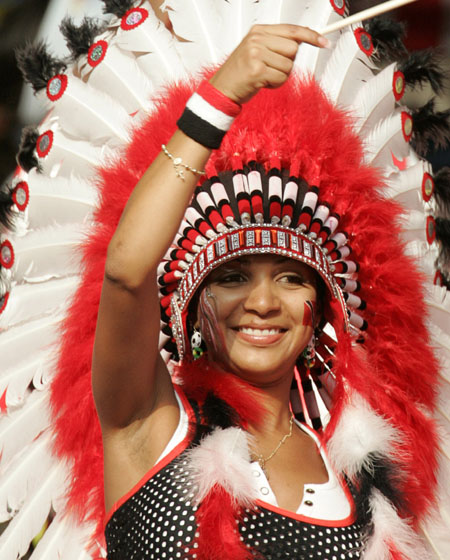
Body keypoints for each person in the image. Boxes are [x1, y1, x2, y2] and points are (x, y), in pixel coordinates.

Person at [90, 21, 438, 560]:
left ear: (320, 310)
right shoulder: (148, 423)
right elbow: (126, 272)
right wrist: (220, 96)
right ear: (194, 308)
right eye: (233, 277)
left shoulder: (363, 488)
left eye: (291, 277)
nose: (263, 303)